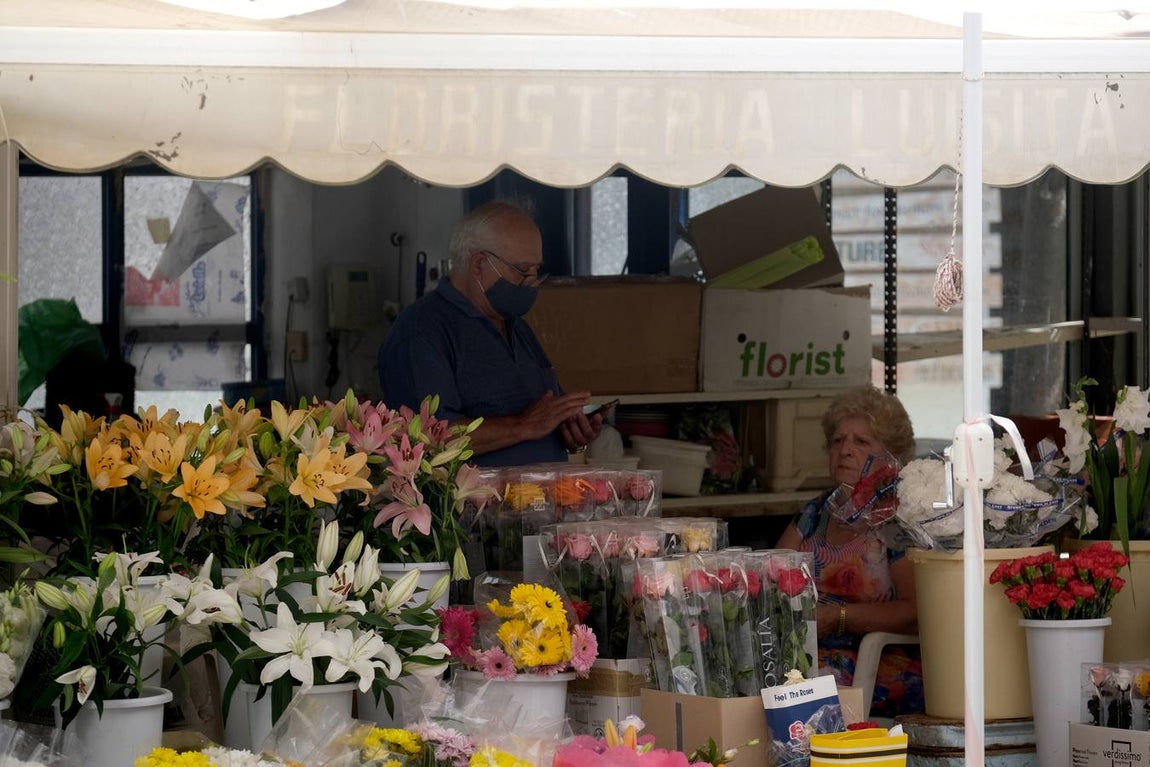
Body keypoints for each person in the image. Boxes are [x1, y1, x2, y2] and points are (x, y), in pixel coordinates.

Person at [378, 200, 604, 467]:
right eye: (522, 270)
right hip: (473, 507)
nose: (532, 281)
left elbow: (545, 417)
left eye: (537, 269)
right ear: (479, 264)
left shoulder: (516, 327)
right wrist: (521, 426)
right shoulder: (422, 331)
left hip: (541, 502)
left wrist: (570, 430)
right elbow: (426, 440)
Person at [775, 385, 924, 717]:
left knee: (796, 686)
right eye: (838, 440)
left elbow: (916, 611)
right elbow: (771, 578)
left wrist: (838, 619)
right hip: (809, 652)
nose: (845, 450)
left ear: (890, 456)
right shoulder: (814, 512)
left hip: (879, 659)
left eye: (861, 442)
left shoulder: (897, 519)